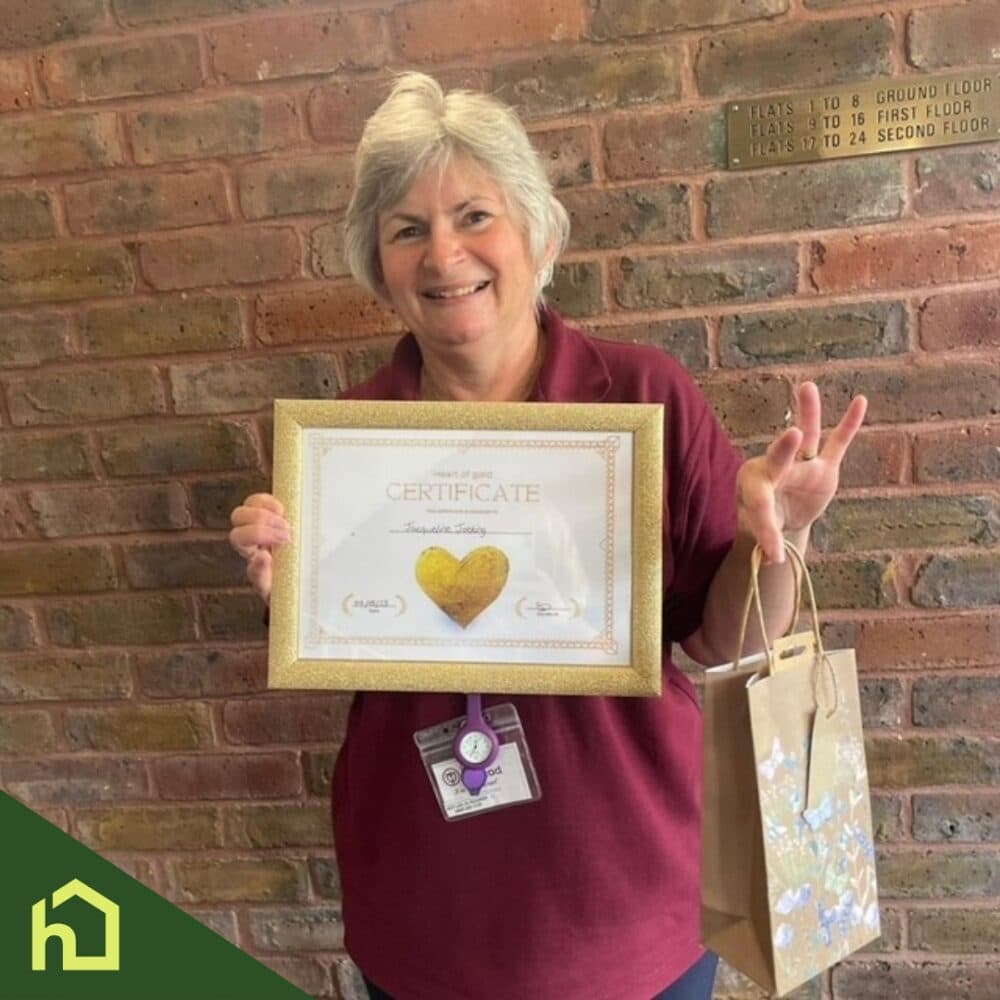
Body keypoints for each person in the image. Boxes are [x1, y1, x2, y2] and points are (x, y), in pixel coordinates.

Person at [229, 73, 867, 1000]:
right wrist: (287, 596)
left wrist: (784, 539)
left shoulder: (645, 398)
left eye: (474, 215)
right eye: (407, 229)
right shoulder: (344, 442)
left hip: (633, 904)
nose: (445, 255)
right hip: (427, 913)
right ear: (380, 266)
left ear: (539, 233)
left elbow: (722, 643)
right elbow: (345, 644)